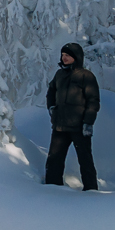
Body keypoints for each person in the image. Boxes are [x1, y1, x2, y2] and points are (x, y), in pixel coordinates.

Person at [45, 42, 99, 190]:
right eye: (63, 55)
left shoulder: (86, 76)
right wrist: (51, 107)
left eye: (68, 55)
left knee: (85, 160)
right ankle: (51, 188)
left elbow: (93, 101)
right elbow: (51, 91)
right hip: (60, 126)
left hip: (79, 127)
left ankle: (91, 190)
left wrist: (88, 123)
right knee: (54, 159)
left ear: (76, 57)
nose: (64, 58)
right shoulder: (59, 74)